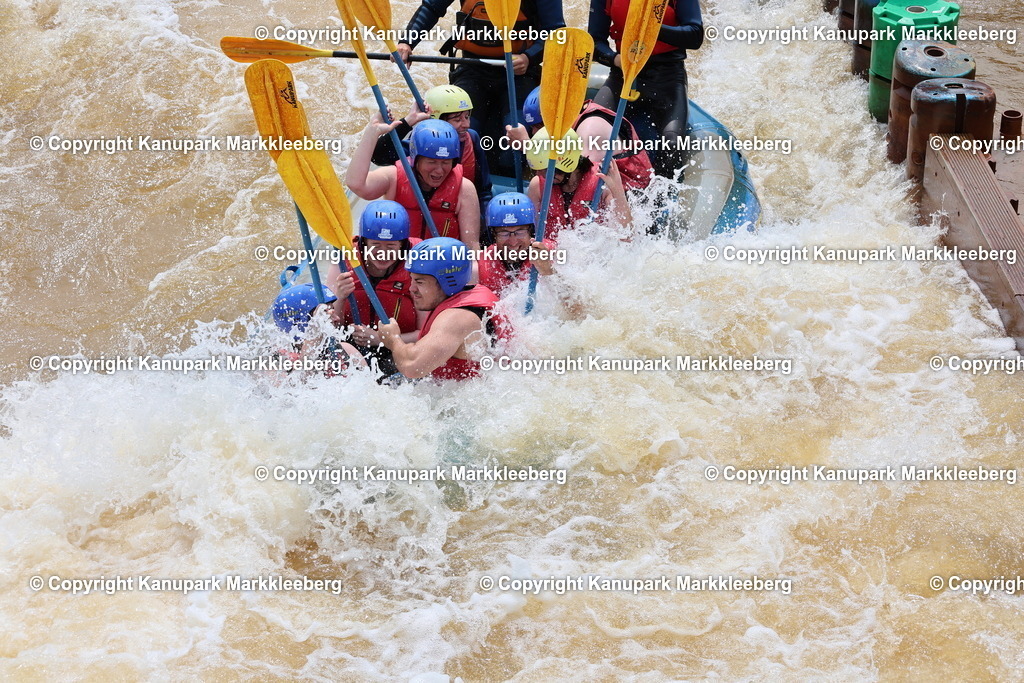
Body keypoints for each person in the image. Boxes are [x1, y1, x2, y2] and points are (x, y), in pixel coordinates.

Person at [394, 0, 566, 177]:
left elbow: (556, 32)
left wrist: (529, 56)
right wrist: (407, 42)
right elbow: (431, 7)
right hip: (472, 68)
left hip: (520, 72)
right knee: (459, 137)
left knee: (511, 154)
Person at [590, 0, 705, 178]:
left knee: (672, 144)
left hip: (666, 76)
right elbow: (595, 41)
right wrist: (614, 59)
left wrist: (650, 28)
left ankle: (659, 200)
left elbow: (695, 35)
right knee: (591, 134)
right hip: (624, 73)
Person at [348, 115, 480, 250]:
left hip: (440, 265)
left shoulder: (465, 188)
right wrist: (372, 132)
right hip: (400, 264)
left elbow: (471, 247)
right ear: (415, 159)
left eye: (446, 162)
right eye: (432, 162)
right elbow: (356, 184)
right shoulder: (394, 177)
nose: (439, 170)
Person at [327, 200, 427, 374]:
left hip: (399, 350)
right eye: (376, 245)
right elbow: (329, 328)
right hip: (352, 347)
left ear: (403, 245)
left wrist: (381, 339)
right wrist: (340, 298)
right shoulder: (343, 260)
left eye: (391, 246)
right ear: (364, 244)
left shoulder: (420, 264)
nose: (383, 253)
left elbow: (426, 334)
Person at [379, 237, 500, 380]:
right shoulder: (467, 296)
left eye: (420, 282)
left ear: (447, 281)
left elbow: (413, 367)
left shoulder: (458, 318)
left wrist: (393, 339)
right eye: (411, 279)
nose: (412, 288)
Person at [371, 85, 493, 213]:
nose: (466, 125)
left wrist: (485, 224)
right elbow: (378, 156)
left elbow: (484, 190)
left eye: (467, 117)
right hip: (422, 213)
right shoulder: (420, 142)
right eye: (457, 119)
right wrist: (407, 122)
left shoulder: (471, 138)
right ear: (437, 119)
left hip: (458, 214)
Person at [515, 87, 653, 192]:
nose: (534, 132)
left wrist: (528, 147)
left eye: (539, 126)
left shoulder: (590, 128)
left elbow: (574, 181)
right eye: (532, 127)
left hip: (630, 199)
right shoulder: (573, 121)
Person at [524, 127, 631, 238]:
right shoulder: (537, 185)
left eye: (545, 170)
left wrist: (617, 190)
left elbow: (626, 236)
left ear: (566, 165)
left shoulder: (601, 181)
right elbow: (529, 234)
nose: (539, 175)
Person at [270, 283, 363, 375]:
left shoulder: (346, 350)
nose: (337, 318)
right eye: (324, 313)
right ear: (300, 322)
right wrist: (313, 337)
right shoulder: (276, 361)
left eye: (332, 310)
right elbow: (298, 385)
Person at [477, 192, 557, 296]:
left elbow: (577, 308)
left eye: (520, 232)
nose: (513, 242)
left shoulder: (552, 253)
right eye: (504, 233)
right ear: (493, 235)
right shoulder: (481, 265)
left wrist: (548, 271)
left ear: (531, 232)